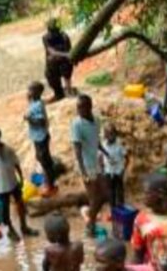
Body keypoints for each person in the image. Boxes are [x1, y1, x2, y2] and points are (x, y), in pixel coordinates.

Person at [0, 127, 37, 241]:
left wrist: (21, 178)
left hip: (13, 183)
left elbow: (16, 164)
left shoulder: (8, 150)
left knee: (20, 205)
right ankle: (11, 230)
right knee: (5, 211)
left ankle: (24, 227)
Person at [71, 94, 108, 237]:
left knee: (103, 194)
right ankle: (90, 225)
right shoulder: (77, 125)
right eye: (78, 107)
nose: (79, 110)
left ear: (90, 107)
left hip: (96, 162)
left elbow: (97, 142)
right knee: (95, 197)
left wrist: (106, 154)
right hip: (86, 165)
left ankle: (89, 216)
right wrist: (83, 172)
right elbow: (77, 150)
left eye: (82, 107)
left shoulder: (96, 121)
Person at [25, 81, 58, 195]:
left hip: (41, 136)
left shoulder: (39, 105)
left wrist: (29, 119)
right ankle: (47, 179)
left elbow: (41, 121)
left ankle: (50, 185)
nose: (28, 92)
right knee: (40, 157)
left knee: (45, 160)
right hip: (37, 136)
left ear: (38, 92)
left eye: (31, 90)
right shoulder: (34, 102)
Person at [42, 18, 74, 102]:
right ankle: (58, 93)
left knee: (66, 68)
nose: (53, 33)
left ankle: (68, 90)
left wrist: (65, 56)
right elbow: (51, 51)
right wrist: (65, 55)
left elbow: (68, 49)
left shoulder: (64, 36)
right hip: (54, 62)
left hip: (64, 61)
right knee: (50, 75)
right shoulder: (46, 37)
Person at [101, 124, 128, 208]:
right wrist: (102, 169)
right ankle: (113, 208)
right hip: (108, 172)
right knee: (110, 191)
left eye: (113, 134)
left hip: (118, 172)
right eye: (108, 134)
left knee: (119, 191)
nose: (111, 136)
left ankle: (121, 208)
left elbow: (127, 158)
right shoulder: (103, 145)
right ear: (105, 135)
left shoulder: (119, 145)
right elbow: (101, 157)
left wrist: (123, 170)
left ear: (116, 134)